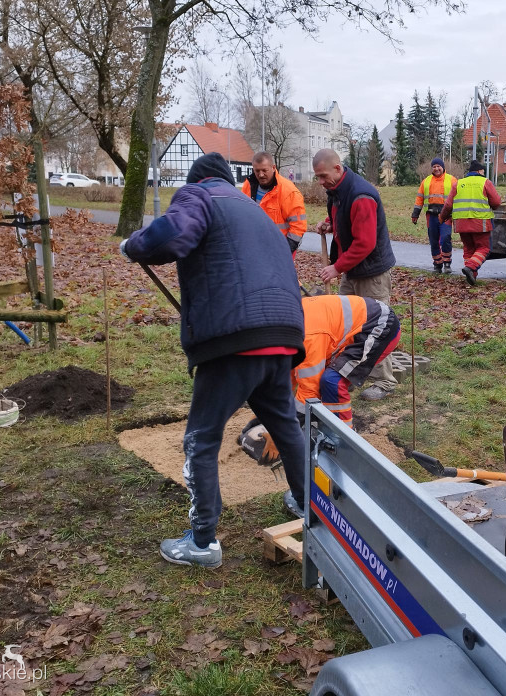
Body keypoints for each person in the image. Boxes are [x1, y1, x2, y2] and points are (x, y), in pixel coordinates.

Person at [120, 152, 308, 569]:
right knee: (285, 426)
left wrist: (133, 245)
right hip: (283, 336)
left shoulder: (199, 196)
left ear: (198, 180)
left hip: (234, 339)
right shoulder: (255, 210)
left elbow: (169, 238)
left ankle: (203, 541)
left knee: (201, 438)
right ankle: (307, 503)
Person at [313, 148, 398, 401]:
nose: (320, 182)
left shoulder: (361, 195)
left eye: (322, 175)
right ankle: (348, 371)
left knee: (376, 326)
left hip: (372, 273)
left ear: (338, 168)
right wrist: (330, 223)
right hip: (352, 269)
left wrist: (336, 267)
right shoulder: (336, 191)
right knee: (344, 323)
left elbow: (365, 243)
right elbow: (343, 220)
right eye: (317, 177)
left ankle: (385, 381)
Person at [294, 295, 401, 425]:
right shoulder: (287, 321)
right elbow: (284, 379)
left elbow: (310, 391)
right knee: (326, 381)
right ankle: (326, 422)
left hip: (381, 325)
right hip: (362, 321)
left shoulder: (309, 337)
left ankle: (342, 438)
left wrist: (287, 428)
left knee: (332, 380)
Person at [439, 159, 502, 286]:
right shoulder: (485, 182)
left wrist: (442, 217)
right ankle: (471, 267)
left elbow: (448, 205)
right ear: (479, 171)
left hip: (461, 223)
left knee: (469, 249)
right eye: (483, 171)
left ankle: (471, 276)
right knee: (484, 248)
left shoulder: (458, 183)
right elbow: (496, 203)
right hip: (480, 222)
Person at [239, 151, 307, 253]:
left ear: (273, 168)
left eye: (264, 170)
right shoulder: (248, 186)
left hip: (280, 247)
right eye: (257, 171)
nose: (261, 174)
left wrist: (285, 250)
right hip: (254, 246)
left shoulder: (288, 191)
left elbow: (298, 226)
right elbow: (242, 214)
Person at [411, 157, 455, 273]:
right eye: (434, 167)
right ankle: (437, 264)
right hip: (431, 216)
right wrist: (415, 214)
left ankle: (447, 263)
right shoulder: (426, 181)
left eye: (438, 166)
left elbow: (458, 197)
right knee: (433, 241)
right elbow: (419, 199)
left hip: (446, 215)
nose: (436, 169)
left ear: (443, 167)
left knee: (445, 238)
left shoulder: (452, 180)